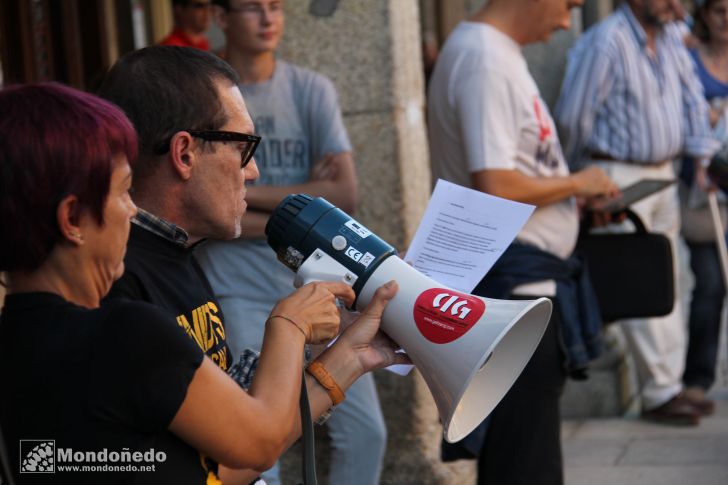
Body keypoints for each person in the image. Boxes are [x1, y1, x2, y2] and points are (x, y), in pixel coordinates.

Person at [0, 81, 408, 484]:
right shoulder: (124, 333)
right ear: (72, 220)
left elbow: (209, 468)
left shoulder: (18, 343)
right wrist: (290, 325)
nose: (131, 211)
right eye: (124, 192)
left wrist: (351, 356)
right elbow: (257, 443)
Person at [427, 1, 617, 484]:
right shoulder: (483, 56)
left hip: (527, 280)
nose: (566, 21)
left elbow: (520, 174)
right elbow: (495, 182)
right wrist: (578, 184)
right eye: (570, 5)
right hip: (515, 285)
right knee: (524, 455)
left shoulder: (493, 52)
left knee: (526, 443)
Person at [196, 2, 385, 484]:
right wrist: (302, 206)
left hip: (318, 288)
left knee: (367, 433)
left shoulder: (310, 89)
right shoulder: (203, 93)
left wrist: (237, 196)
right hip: (238, 289)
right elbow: (194, 200)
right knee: (257, 452)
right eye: (252, 7)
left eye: (276, 5)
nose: (267, 18)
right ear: (221, 17)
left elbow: (344, 194)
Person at [555, 0, 720, 425]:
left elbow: (692, 101)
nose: (676, 5)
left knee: (669, 277)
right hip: (616, 171)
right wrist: (576, 178)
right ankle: (659, 391)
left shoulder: (668, 38)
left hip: (663, 171)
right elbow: (574, 114)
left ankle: (672, 381)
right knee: (639, 276)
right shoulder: (606, 41)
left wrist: (701, 157)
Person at [678, 0, 728, 412]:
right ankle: (697, 379)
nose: (726, 19)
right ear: (705, 14)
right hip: (704, 196)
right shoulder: (687, 61)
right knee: (710, 284)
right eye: (719, 10)